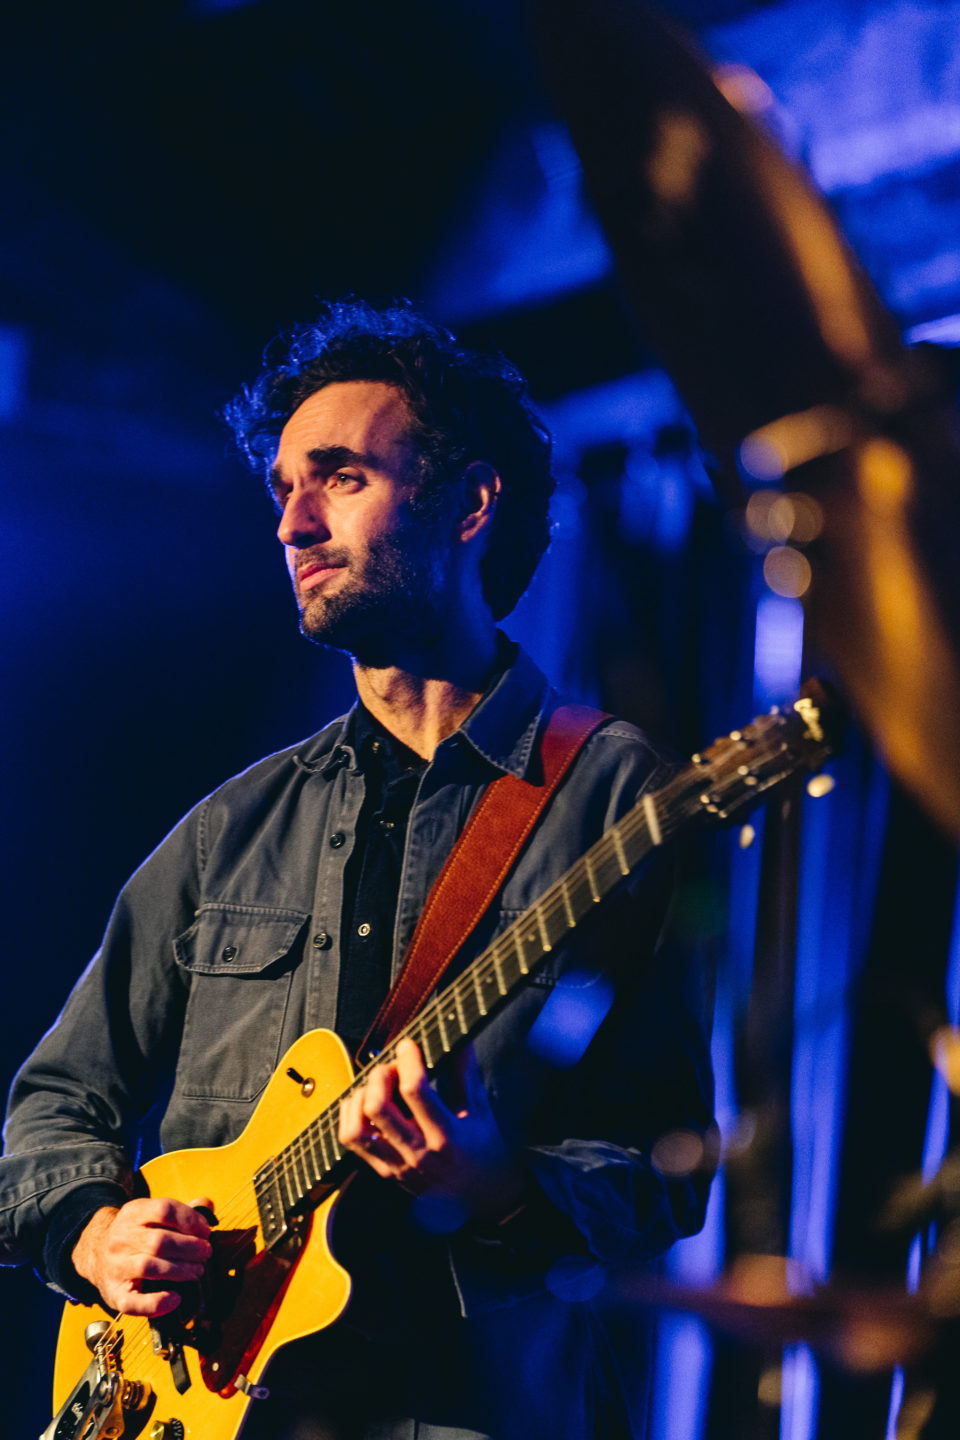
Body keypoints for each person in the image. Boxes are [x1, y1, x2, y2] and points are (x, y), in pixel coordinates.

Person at [0, 300, 715, 1439]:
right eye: (282, 487)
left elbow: (666, 1168)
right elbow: (50, 1110)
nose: (291, 523)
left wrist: (494, 1184)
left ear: (471, 504)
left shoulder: (612, 791)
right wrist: (94, 1230)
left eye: (336, 477)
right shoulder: (229, 828)